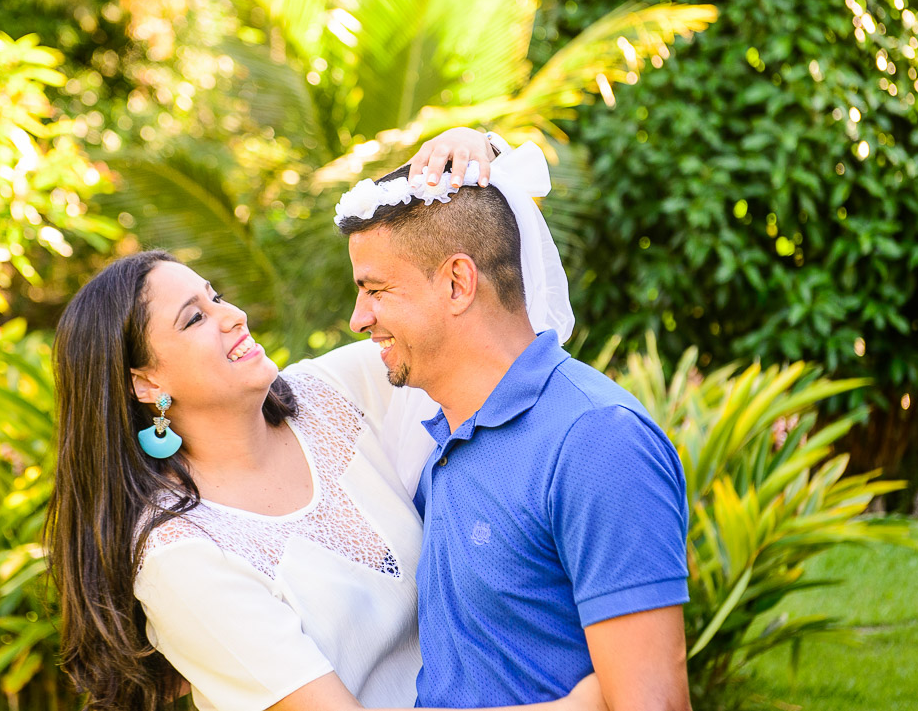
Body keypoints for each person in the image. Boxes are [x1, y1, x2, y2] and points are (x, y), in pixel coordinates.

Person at [45, 129, 601, 711]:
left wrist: (477, 150)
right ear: (145, 382)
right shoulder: (180, 555)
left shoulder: (334, 391)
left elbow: (494, 328)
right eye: (194, 319)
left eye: (216, 297)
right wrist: (586, 703)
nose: (232, 316)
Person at [335, 144, 692, 711]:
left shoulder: (596, 441)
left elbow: (654, 703)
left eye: (376, 290)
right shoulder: (440, 435)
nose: (359, 318)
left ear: (458, 283)